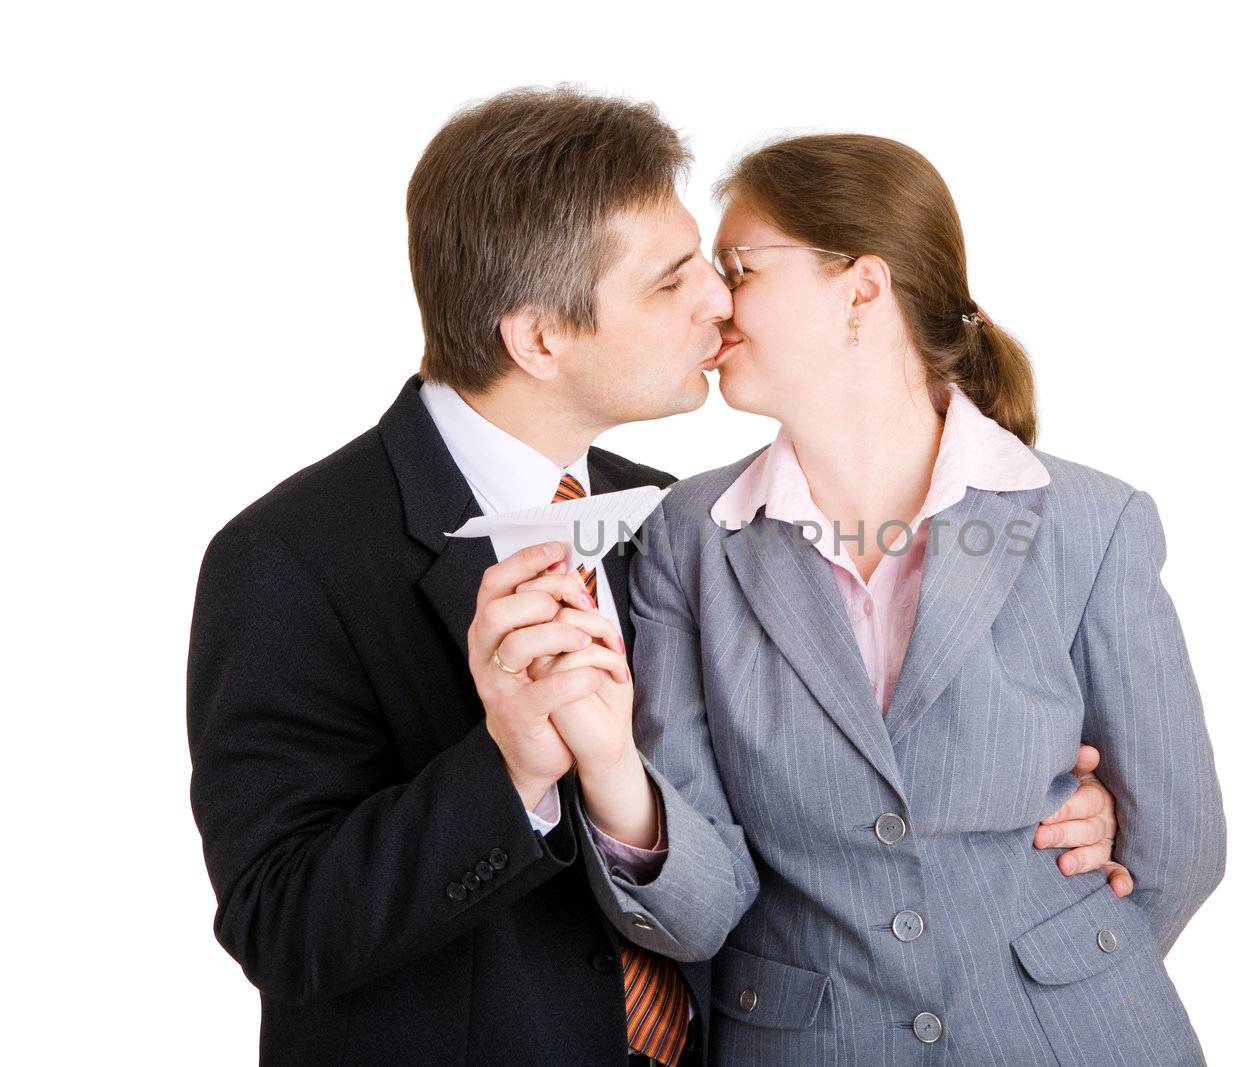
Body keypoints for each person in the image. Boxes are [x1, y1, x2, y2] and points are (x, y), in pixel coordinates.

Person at [186, 88, 1130, 1065]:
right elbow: (282, 924)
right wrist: (512, 765)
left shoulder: (687, 520)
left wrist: (1038, 817)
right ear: (539, 337)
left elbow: (794, 810)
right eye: (673, 279)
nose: (720, 301)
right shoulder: (285, 557)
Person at [539, 134, 1227, 1064]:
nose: (711, 298)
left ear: (862, 288)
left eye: (738, 266)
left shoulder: (1088, 522)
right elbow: (699, 906)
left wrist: (1060, 966)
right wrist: (610, 766)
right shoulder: (688, 536)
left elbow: (1176, 845)